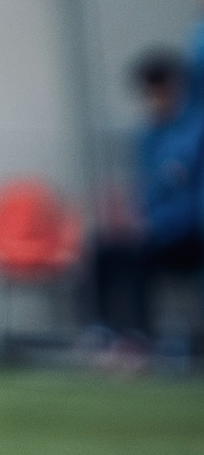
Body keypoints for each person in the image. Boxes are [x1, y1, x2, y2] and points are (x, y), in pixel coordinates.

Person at [80, 50, 204, 364]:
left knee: (139, 250)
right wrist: (129, 216)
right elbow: (148, 190)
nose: (155, 100)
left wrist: (155, 225)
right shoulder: (147, 135)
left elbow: (191, 199)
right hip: (154, 229)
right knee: (102, 247)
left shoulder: (195, 132)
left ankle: (138, 336)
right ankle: (102, 331)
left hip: (187, 234)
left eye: (160, 91)